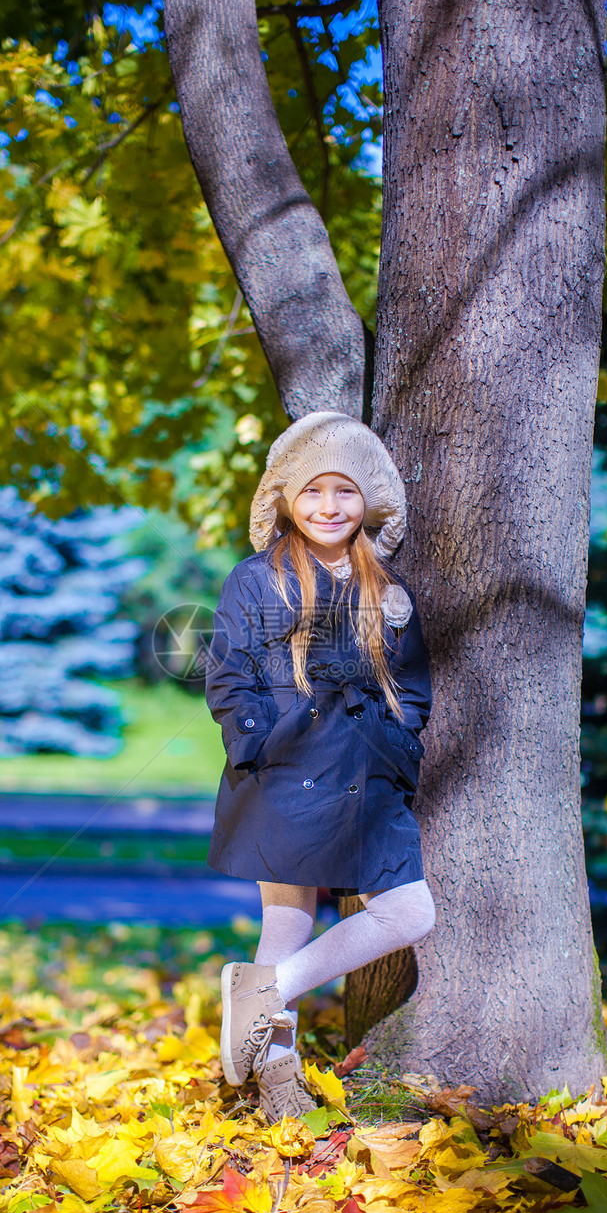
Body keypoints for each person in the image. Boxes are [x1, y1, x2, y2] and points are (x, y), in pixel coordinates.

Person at [204, 410, 436, 1122]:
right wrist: (260, 744)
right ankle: (278, 1082)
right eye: (312, 493)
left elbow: (414, 685)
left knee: (409, 911)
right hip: (286, 777)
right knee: (287, 923)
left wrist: (402, 747)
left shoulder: (388, 587)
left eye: (343, 492)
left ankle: (264, 991)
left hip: (370, 781)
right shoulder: (258, 580)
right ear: (286, 501)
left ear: (366, 501)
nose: (328, 507)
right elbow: (228, 678)